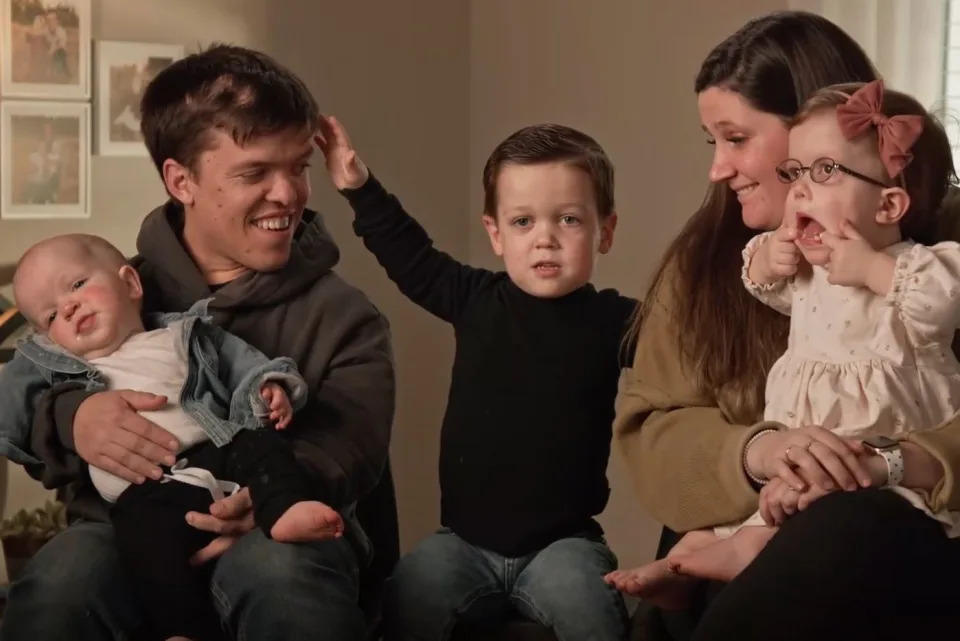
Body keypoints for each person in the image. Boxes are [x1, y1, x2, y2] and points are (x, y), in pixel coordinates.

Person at [0, 45, 396, 641]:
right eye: (255, 172)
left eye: (297, 167)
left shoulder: (345, 317)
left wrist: (270, 496)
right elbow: (24, 392)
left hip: (273, 527)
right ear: (180, 180)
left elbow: (351, 447)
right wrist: (71, 417)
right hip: (118, 527)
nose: (288, 194)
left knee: (282, 578)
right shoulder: (107, 294)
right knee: (61, 585)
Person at [611, 11, 960, 641]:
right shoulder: (716, 265)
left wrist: (889, 462)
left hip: (897, 529)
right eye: (710, 141)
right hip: (766, 511)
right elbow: (652, 426)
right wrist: (761, 452)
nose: (718, 167)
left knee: (845, 525)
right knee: (692, 551)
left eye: (736, 138)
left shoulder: (933, 256)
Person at [315, 117, 634, 640]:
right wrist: (358, 186)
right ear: (496, 234)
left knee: (596, 612)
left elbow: (688, 342)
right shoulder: (475, 299)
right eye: (523, 222)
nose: (546, 239)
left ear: (607, 231)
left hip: (565, 546)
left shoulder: (616, 322)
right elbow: (410, 257)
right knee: (408, 592)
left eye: (570, 220)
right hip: (461, 543)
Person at [1, 233, 347, 641]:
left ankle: (285, 509)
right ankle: (182, 631)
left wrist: (268, 385)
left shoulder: (186, 334)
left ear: (130, 283)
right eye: (51, 316)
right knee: (144, 544)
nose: (69, 307)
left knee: (262, 447)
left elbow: (243, 364)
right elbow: (9, 414)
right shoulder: (54, 365)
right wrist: (71, 413)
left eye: (76, 285)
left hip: (218, 462)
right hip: (146, 491)